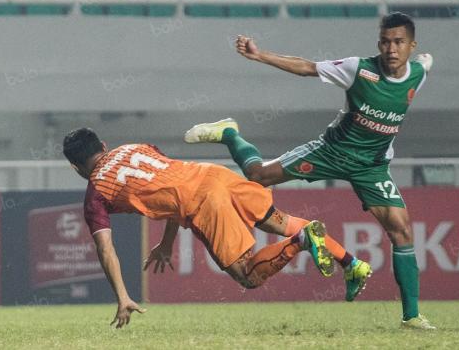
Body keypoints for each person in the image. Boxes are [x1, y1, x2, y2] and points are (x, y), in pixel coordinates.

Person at [184, 12, 434, 329]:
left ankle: (411, 316)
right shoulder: (359, 69)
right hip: (330, 152)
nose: (391, 49)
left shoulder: (417, 74)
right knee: (259, 176)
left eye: (399, 42)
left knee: (402, 231)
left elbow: (426, 63)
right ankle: (230, 133)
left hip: (372, 166)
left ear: (411, 45)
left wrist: (426, 59)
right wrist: (260, 55)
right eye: (385, 42)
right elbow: (307, 68)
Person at [63, 127, 344, 328]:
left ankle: (303, 240)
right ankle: (348, 259)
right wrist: (167, 243)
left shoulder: (96, 194)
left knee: (248, 276)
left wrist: (123, 297)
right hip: (214, 174)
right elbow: (169, 183)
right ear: (103, 145)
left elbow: (105, 249)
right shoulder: (135, 147)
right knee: (274, 221)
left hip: (204, 201)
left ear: (75, 168)